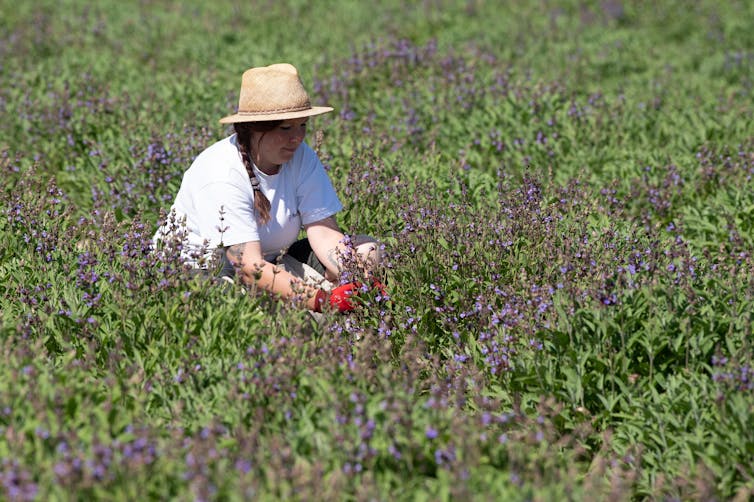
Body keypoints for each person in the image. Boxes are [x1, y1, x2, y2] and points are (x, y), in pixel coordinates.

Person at [153, 63, 382, 313]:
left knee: (366, 251)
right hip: (205, 272)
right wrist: (323, 301)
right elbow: (248, 266)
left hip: (273, 259)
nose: (297, 138)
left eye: (303, 125)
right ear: (253, 128)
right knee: (276, 316)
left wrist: (355, 275)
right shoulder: (222, 173)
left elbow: (324, 234)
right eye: (285, 128)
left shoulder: (301, 156)